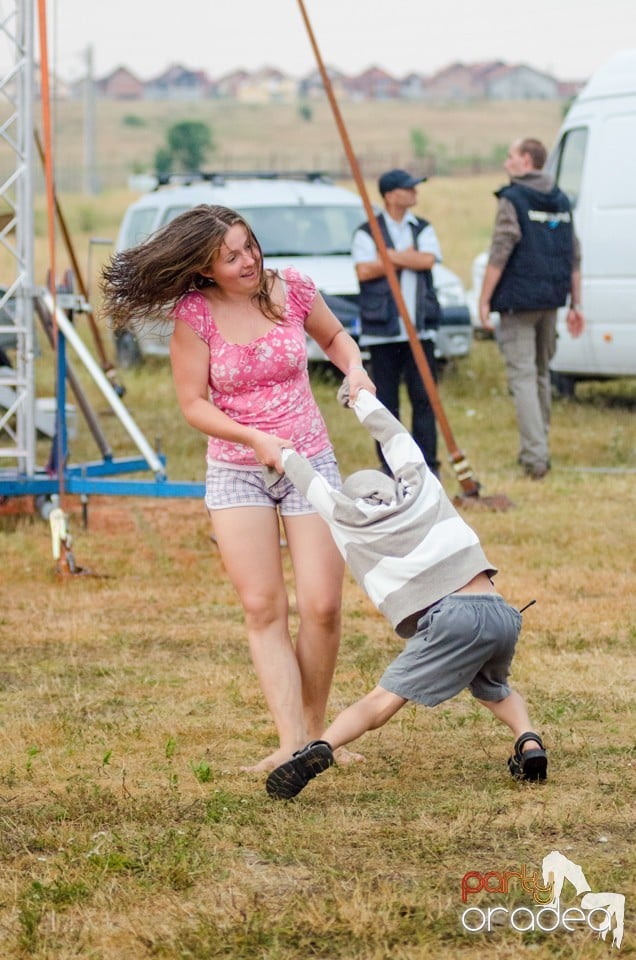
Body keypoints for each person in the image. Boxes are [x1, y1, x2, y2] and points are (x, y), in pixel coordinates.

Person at [100, 204, 376, 773]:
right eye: (230, 256)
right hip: (237, 470)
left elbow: (336, 337)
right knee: (263, 607)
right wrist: (253, 438)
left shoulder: (291, 289)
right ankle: (290, 742)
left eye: (248, 245)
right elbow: (193, 404)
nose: (247, 259)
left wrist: (354, 369)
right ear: (204, 268)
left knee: (323, 605)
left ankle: (319, 737)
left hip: (310, 462)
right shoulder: (195, 315)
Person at [264, 384, 547, 800]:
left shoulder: (350, 519)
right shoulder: (422, 490)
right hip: (500, 612)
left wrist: (283, 455)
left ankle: (318, 748)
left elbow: (313, 485)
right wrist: (359, 399)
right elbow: (395, 436)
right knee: (495, 688)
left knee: (380, 702)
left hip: (450, 618)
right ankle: (529, 742)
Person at [478, 138, 585, 480]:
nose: (506, 162)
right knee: (540, 373)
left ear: (526, 160)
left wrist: (483, 298)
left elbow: (501, 249)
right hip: (551, 300)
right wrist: (576, 303)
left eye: (510, 156)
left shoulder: (513, 198)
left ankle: (535, 458)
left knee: (523, 377)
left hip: (518, 301)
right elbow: (574, 254)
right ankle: (540, 446)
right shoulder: (561, 199)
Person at [352, 168, 442, 475]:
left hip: (420, 330)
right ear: (391, 195)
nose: (415, 191)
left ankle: (429, 465)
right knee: (386, 407)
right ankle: (391, 467)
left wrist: (389, 257)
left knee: (425, 401)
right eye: (408, 188)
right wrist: (406, 256)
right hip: (383, 334)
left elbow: (427, 260)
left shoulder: (423, 227)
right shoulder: (367, 231)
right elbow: (363, 270)